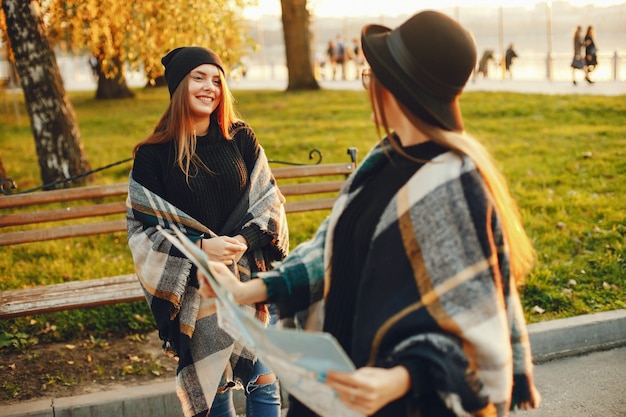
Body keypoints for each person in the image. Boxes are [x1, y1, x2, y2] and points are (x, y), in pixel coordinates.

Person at [201, 11, 541, 417]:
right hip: (341, 388)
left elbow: (475, 332)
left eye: (371, 75)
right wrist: (243, 291)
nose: (368, 87)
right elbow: (330, 249)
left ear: (398, 87)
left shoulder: (455, 185)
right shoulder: (384, 159)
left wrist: (398, 378)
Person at [126, 46, 289, 417]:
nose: (209, 87)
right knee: (215, 395)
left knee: (263, 385)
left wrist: (245, 240)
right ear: (178, 86)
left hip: (251, 280)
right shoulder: (154, 155)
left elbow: (270, 202)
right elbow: (144, 231)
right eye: (198, 78)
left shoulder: (240, 138)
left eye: (216, 80)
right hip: (197, 290)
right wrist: (200, 248)